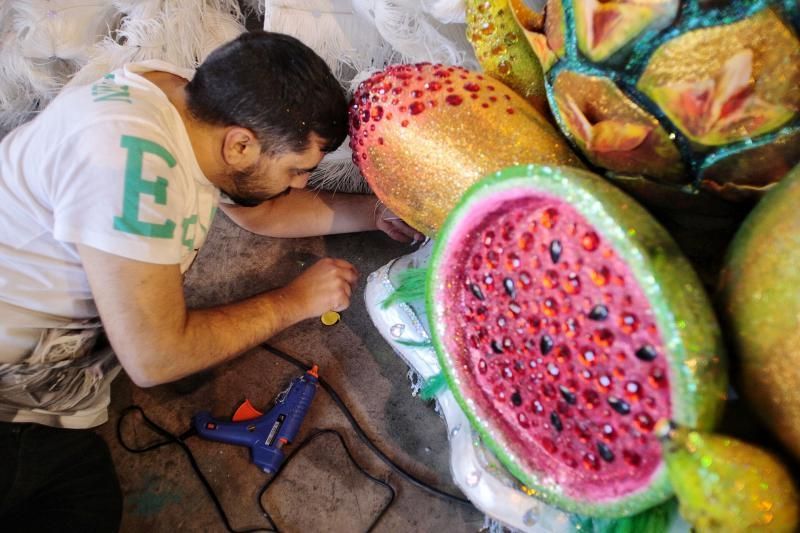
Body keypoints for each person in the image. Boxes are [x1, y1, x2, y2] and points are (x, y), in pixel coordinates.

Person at [0, 30, 421, 531]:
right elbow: (156, 357)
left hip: (47, 397)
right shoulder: (131, 165)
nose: (301, 184)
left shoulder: (185, 100)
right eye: (296, 169)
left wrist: (373, 214)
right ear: (240, 144)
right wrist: (292, 301)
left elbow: (261, 214)